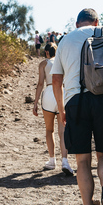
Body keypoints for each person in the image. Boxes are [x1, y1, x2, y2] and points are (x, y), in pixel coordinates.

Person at [52, 8, 103, 205]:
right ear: (96, 22)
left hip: (76, 101)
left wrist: (62, 108)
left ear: (77, 24)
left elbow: (56, 80)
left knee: (82, 161)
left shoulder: (66, 40)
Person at [32, 42, 74, 175]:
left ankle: (52, 160)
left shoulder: (44, 64)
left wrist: (35, 103)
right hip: (62, 93)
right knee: (63, 131)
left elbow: (40, 84)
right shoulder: (63, 62)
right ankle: (65, 161)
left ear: (46, 52)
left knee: (49, 130)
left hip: (49, 93)